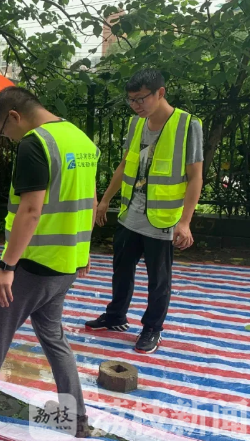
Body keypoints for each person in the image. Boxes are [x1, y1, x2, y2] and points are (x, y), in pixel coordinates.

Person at [0, 87, 97, 439]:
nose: (6, 138)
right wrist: (84, 252)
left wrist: (6, 268)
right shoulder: (81, 139)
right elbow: (89, 199)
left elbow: (30, 210)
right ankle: (76, 417)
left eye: (3, 130)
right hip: (66, 263)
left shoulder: (35, 143)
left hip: (32, 263)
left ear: (14, 116)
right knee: (53, 337)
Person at [86, 69, 204, 354]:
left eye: (141, 99)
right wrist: (105, 201)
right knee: (121, 269)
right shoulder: (136, 124)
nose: (136, 105)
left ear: (160, 93)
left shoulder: (188, 125)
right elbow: (125, 163)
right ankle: (116, 315)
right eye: (131, 100)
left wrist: (185, 222)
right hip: (130, 214)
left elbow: (196, 177)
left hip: (163, 219)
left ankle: (153, 328)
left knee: (158, 280)